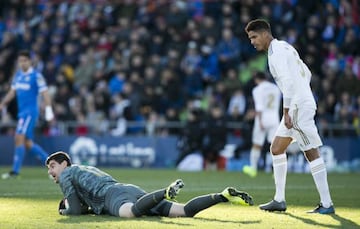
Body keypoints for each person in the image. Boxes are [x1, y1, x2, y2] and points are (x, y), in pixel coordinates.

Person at [245, 19, 335, 214]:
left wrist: (287, 110)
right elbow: (307, 73)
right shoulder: (285, 47)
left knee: (311, 152)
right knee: (276, 149)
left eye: (254, 37)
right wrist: (304, 92)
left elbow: (288, 83)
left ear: (264, 34)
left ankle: (327, 204)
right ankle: (279, 199)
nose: (252, 42)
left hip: (297, 107)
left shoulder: (276, 53)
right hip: (300, 102)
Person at [46, 151, 254, 217]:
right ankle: (223, 195)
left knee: (131, 213)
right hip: (130, 189)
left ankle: (165, 192)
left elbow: (73, 209)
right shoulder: (84, 169)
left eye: (53, 166)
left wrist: (65, 211)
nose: (51, 172)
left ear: (64, 163)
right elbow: (82, 205)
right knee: (185, 211)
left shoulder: (66, 175)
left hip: (113, 196)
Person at [1, 50, 54, 179]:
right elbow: (12, 92)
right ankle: (54, 165)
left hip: (30, 113)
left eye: (25, 60)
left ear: (30, 61)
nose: (22, 63)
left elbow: (45, 93)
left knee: (18, 137)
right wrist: (2, 103)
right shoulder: (18, 76)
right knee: (28, 143)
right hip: (22, 113)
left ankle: (15, 171)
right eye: (20, 61)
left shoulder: (36, 76)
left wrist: (48, 110)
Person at [243, 72, 281, 177]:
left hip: (263, 118)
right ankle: (276, 170)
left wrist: (260, 121)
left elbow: (259, 107)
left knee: (257, 144)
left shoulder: (257, 90)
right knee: (274, 145)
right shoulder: (275, 88)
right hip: (274, 119)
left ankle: (253, 169)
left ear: (257, 79)